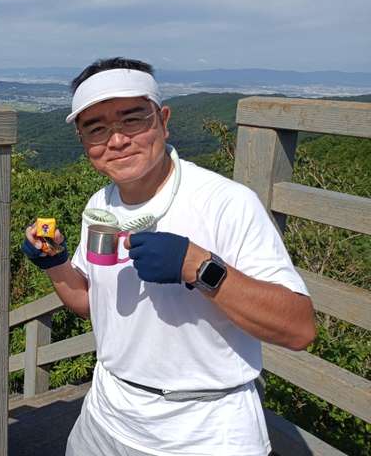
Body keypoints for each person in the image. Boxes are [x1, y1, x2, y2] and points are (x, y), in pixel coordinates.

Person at [22, 58, 316, 456]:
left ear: (163, 120)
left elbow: (299, 328)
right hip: (106, 415)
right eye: (96, 128)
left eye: (132, 120)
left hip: (204, 431)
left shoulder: (226, 203)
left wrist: (199, 267)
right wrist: (54, 262)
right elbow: (91, 303)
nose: (117, 140)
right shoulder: (100, 206)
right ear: (83, 140)